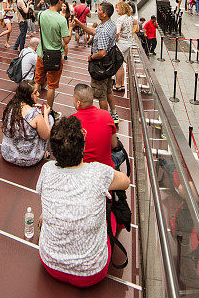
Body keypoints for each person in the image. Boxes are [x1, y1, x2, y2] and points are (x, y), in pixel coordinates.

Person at [36, 115, 130, 287]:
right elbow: (125, 182)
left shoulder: (47, 170)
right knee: (112, 210)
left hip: (50, 263)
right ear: (83, 146)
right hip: (91, 273)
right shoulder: (98, 172)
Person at [73, 1, 119, 125]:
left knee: (100, 94)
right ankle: (113, 114)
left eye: (99, 10)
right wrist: (80, 24)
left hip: (101, 66)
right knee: (108, 90)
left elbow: (102, 52)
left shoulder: (104, 30)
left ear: (104, 13)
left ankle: (105, 120)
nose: (96, 12)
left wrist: (91, 57)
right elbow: (94, 32)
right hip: (109, 65)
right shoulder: (109, 24)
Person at [34, 0, 70, 119]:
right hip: (55, 56)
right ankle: (49, 111)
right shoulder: (61, 20)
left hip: (41, 53)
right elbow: (66, 40)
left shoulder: (41, 15)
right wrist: (70, 28)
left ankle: (32, 105)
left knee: (37, 81)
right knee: (51, 86)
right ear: (59, 1)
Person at [1, 80, 52, 167]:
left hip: (8, 155)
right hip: (29, 159)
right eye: (35, 93)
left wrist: (31, 106)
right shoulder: (35, 115)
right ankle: (43, 153)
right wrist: (46, 115)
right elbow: (46, 135)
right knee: (50, 120)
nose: (38, 95)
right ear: (28, 96)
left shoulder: (11, 106)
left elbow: (23, 113)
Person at [73, 83, 117, 168]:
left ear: (78, 103)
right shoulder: (107, 115)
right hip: (106, 169)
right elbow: (114, 144)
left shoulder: (71, 121)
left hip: (82, 170)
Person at [114, 0, 135, 92]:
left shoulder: (120, 19)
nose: (116, 10)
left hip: (121, 43)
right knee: (121, 64)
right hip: (128, 42)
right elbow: (136, 24)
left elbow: (117, 31)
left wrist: (116, 38)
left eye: (117, 8)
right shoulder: (130, 18)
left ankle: (118, 84)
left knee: (118, 65)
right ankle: (122, 84)